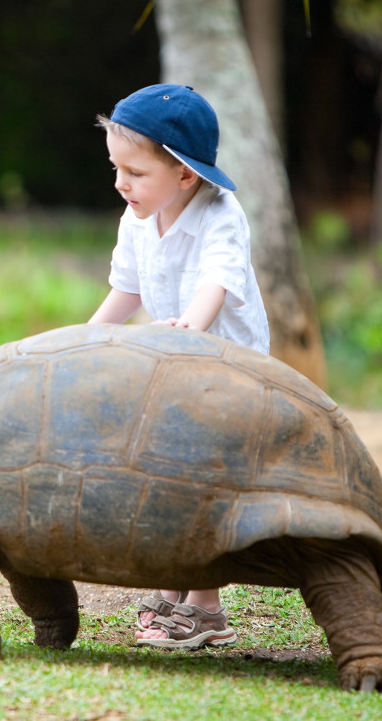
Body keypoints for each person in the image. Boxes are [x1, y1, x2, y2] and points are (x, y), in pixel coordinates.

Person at [88, 83, 270, 649]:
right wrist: (82, 343)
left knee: (200, 484)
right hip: (175, 368)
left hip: (227, 375)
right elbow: (126, 292)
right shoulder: (137, 217)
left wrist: (187, 328)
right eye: (116, 167)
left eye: (136, 173)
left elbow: (216, 283)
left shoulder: (221, 214)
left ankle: (207, 606)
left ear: (186, 175)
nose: (122, 183)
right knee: (162, 478)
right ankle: (173, 589)